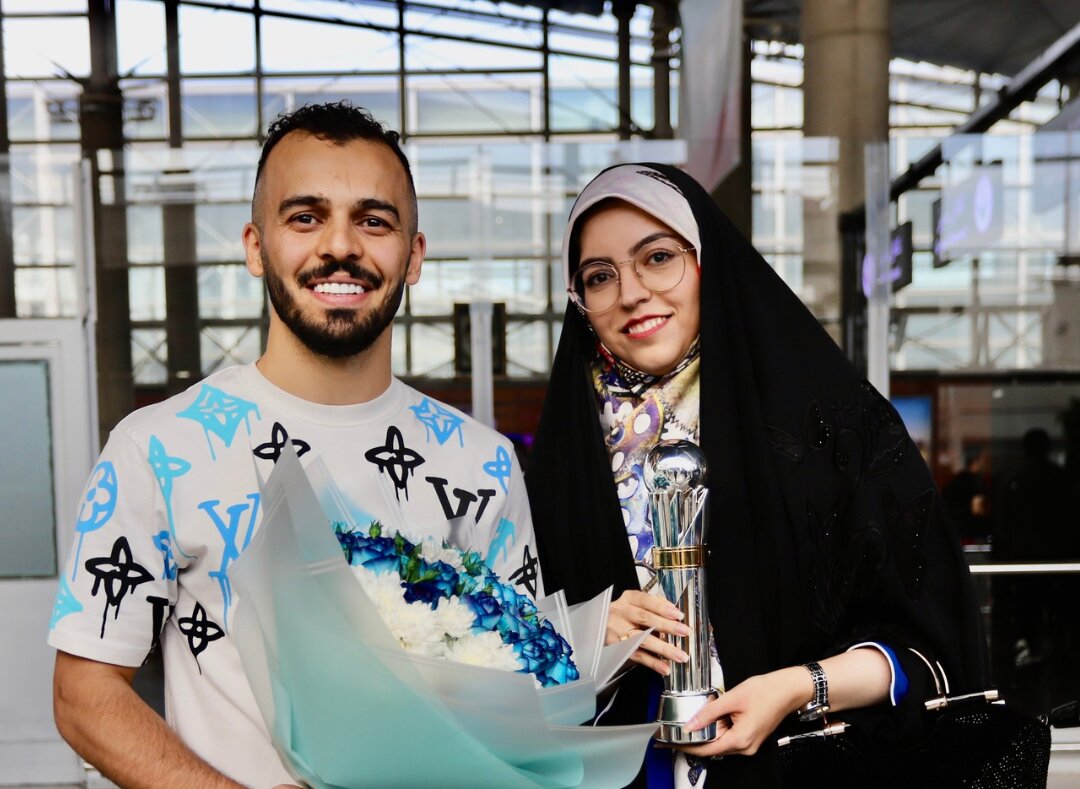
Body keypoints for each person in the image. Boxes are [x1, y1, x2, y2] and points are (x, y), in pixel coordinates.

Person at [48, 102, 542, 789]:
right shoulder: (158, 447)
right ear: (255, 247)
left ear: (414, 256)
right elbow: (84, 693)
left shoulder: (482, 463)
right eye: (305, 217)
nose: (340, 246)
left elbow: (523, 692)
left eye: (374, 221)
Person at [525, 163, 989, 787]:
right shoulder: (564, 460)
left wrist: (798, 687)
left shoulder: (829, 427)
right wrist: (583, 632)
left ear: (707, 262)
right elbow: (499, 658)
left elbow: (931, 643)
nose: (631, 293)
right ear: (580, 301)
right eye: (599, 276)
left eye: (658, 258)